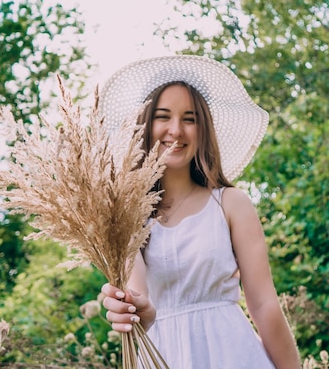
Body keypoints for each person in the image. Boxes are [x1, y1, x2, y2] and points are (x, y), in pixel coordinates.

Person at [98, 55, 301, 369]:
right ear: (146, 125)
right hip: (164, 357)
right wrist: (129, 307)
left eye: (189, 118)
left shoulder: (230, 203)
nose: (176, 130)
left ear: (202, 128)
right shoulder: (129, 217)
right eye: (163, 116)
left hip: (233, 354)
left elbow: (264, 305)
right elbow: (141, 298)